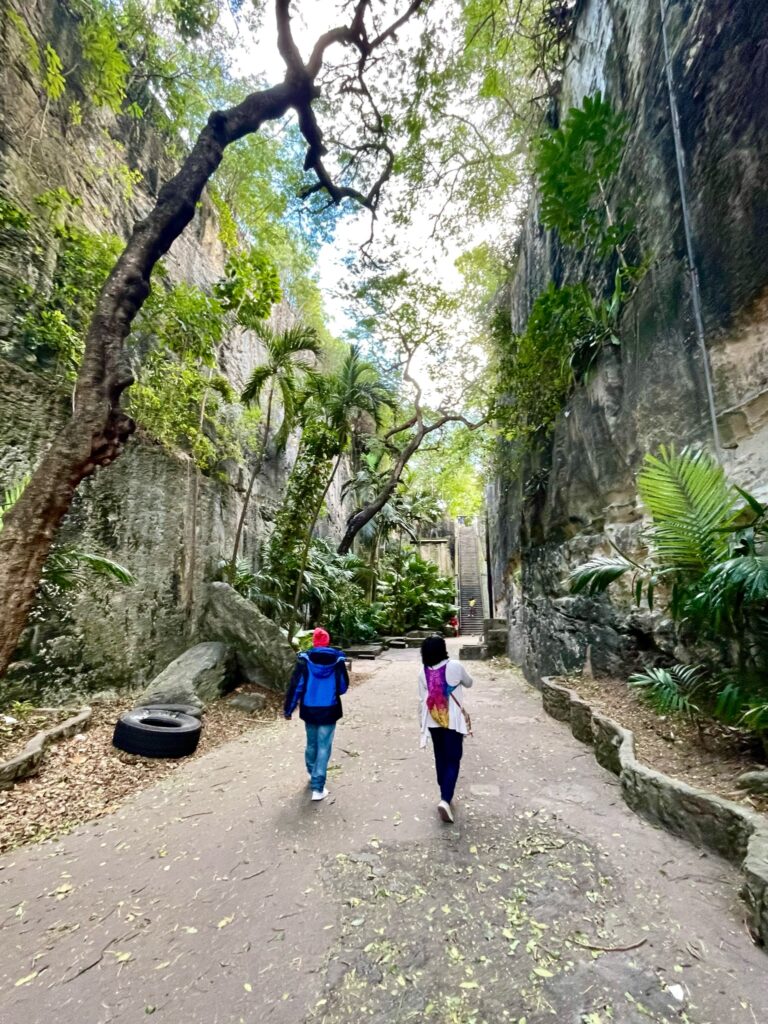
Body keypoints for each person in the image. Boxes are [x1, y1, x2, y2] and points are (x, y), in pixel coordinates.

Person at [284, 627, 349, 802]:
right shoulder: (337, 661)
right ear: (327, 642)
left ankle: (312, 774)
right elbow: (342, 687)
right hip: (329, 708)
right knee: (324, 746)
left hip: (309, 708)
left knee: (311, 743)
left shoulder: (305, 661)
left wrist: (288, 710)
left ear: (314, 642)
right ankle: (318, 788)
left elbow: (296, 686)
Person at [418, 635, 473, 824]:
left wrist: (422, 725)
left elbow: (421, 700)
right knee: (454, 758)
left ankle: (444, 792)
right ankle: (445, 798)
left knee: (440, 757)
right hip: (453, 721)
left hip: (433, 721)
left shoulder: (422, 672)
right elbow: (469, 682)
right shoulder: (455, 666)